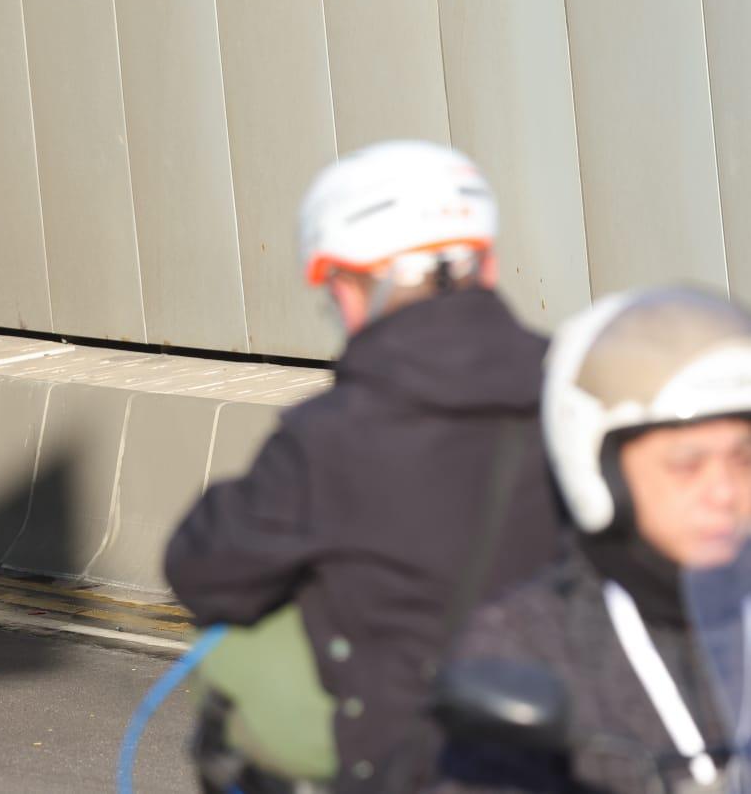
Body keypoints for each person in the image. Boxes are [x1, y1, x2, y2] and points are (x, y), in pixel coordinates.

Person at [164, 140, 564, 792]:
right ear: (484, 266)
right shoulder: (577, 403)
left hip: (409, 765)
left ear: (353, 286)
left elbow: (206, 571)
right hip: (576, 757)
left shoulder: (330, 439)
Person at [431, 286, 751, 793]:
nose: (725, 492)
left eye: (743, 459)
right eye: (687, 465)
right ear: (599, 469)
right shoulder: (531, 644)